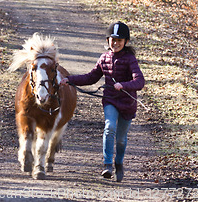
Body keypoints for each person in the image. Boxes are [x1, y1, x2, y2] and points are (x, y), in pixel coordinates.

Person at [60, 21, 145, 182]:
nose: (116, 43)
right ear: (108, 41)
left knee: (120, 139)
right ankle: (107, 165)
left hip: (127, 103)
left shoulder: (130, 59)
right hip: (110, 100)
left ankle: (118, 163)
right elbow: (90, 77)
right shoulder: (104, 58)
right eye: (113, 39)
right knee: (109, 127)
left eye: (119, 40)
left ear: (126, 42)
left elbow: (140, 81)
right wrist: (69, 80)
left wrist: (124, 85)